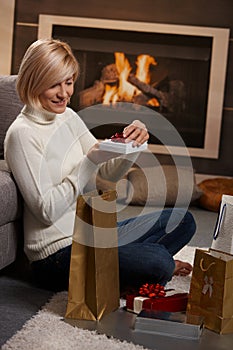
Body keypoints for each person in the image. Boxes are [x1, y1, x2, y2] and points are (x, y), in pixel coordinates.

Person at [4, 39, 196, 292]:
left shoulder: (68, 117)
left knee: (184, 221)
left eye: (69, 82)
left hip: (94, 233)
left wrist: (131, 145)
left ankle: (130, 261)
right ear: (34, 83)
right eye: (54, 85)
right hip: (57, 256)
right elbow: (46, 211)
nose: (64, 93)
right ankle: (143, 262)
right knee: (159, 263)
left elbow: (107, 174)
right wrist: (87, 163)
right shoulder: (22, 134)